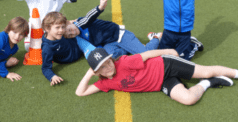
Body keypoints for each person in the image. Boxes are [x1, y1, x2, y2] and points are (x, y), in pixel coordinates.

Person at [75, 48, 238, 106]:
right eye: (102, 67)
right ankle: (208, 83)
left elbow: (146, 55)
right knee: (188, 99)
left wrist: (167, 51)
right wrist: (89, 73)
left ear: (112, 59)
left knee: (206, 70)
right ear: (97, 72)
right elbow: (80, 93)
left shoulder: (124, 62)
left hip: (166, 65)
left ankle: (234, 73)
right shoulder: (105, 83)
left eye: (108, 62)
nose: (108, 66)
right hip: (162, 83)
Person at [64, 0, 161, 59]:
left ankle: (155, 37)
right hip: (108, 43)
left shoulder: (80, 23)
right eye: (69, 35)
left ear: (69, 22)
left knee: (145, 54)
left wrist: (100, 7)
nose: (72, 33)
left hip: (119, 35)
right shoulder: (77, 38)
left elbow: (89, 17)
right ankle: (129, 48)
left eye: (69, 30)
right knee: (111, 58)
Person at [41, 12, 84, 86]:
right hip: (78, 51)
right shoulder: (47, 48)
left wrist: (70, 22)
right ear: (47, 29)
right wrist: (52, 76)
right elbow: (45, 68)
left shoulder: (55, 34)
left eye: (63, 27)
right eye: (57, 27)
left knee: (87, 23)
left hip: (74, 40)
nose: (61, 30)